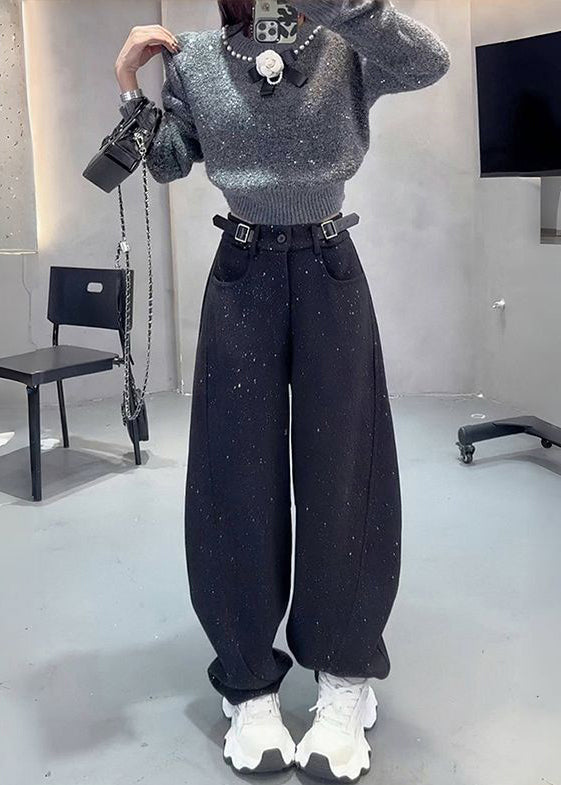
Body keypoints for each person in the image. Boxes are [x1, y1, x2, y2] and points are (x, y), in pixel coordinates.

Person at [115, 1, 450, 780]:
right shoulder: (196, 55)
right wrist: (129, 84)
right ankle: (248, 682)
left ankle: (344, 674)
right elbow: (169, 161)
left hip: (330, 264)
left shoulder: (346, 42)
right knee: (233, 476)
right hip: (241, 271)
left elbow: (428, 62)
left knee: (346, 474)